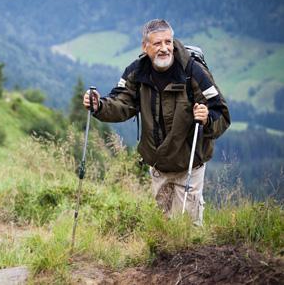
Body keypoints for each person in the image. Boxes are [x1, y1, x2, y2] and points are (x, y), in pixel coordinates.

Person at [83, 19, 230, 225]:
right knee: (163, 227)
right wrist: (98, 106)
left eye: (168, 42)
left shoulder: (193, 71)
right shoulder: (137, 72)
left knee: (186, 229)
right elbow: (121, 103)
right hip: (158, 167)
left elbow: (221, 114)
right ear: (145, 46)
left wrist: (206, 119)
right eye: (157, 43)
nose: (164, 49)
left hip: (188, 165)